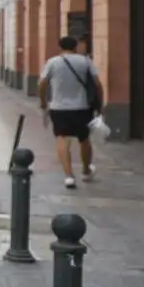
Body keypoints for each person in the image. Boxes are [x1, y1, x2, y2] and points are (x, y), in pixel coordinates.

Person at [40, 35, 102, 189]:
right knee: (84, 138)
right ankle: (86, 171)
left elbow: (42, 83)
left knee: (62, 138)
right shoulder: (84, 61)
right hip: (82, 107)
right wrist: (99, 104)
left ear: (60, 47)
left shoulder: (53, 62)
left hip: (59, 107)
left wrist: (43, 102)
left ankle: (69, 176)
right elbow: (97, 84)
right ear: (75, 46)